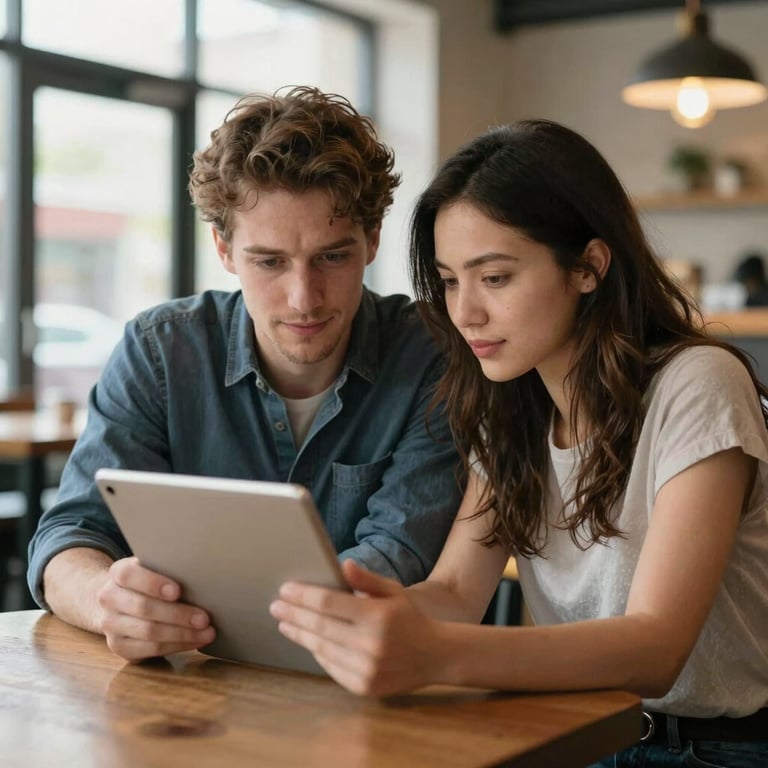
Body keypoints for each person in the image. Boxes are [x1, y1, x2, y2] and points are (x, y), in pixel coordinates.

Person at [270, 120, 768, 767]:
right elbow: (454, 591)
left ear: (588, 266)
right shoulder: (508, 408)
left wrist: (438, 652)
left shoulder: (697, 384)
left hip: (717, 752)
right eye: (450, 280)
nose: (465, 312)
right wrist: (363, 613)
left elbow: (655, 649)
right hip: (579, 735)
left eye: (495, 278)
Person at [28, 86, 463, 663]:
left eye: (332, 257)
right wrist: (106, 600)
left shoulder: (431, 355)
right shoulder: (161, 351)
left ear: (373, 241)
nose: (303, 298)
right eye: (269, 261)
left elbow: (400, 557)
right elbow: (71, 536)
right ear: (225, 249)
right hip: (190, 701)